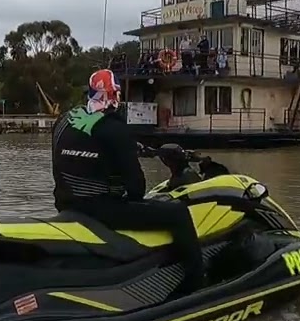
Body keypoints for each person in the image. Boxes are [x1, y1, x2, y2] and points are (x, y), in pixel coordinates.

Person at [51, 69, 204, 291]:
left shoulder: (64, 120)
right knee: (179, 213)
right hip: (100, 211)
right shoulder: (114, 128)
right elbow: (137, 189)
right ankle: (195, 283)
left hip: (65, 204)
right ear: (115, 96)